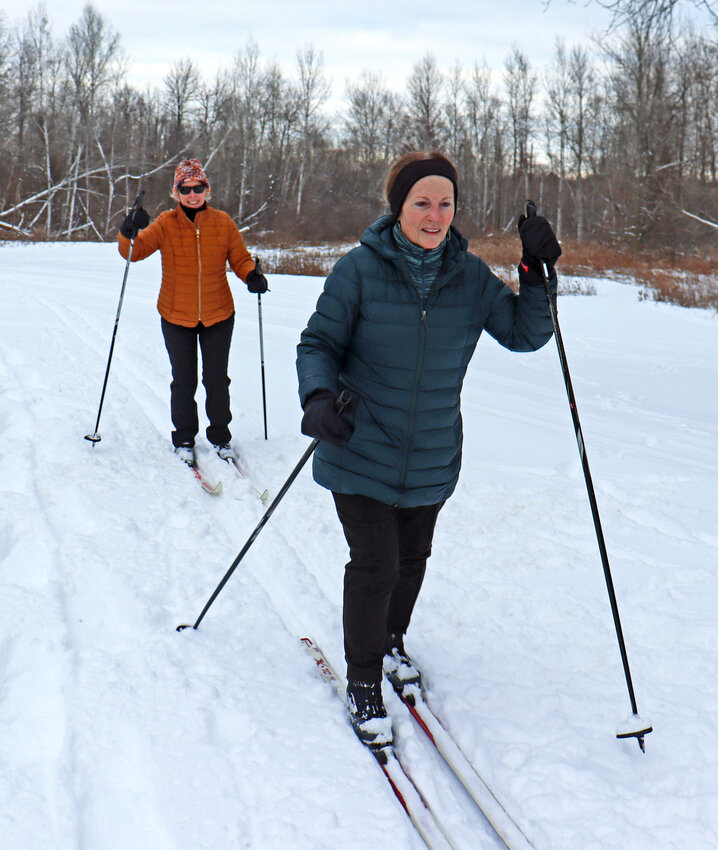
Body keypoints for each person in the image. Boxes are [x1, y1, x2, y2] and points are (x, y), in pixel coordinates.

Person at [296, 151, 561, 748]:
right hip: (359, 446)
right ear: (399, 208)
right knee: (376, 565)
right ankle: (363, 680)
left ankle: (391, 641)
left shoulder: (468, 278)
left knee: (412, 561)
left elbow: (525, 334)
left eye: (445, 203)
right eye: (422, 202)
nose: (435, 214)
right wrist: (317, 396)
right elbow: (318, 342)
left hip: (432, 454)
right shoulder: (358, 271)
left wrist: (536, 272)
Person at [118, 158, 268, 464]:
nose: (192, 194)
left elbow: (239, 258)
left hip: (218, 314)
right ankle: (184, 438)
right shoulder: (165, 223)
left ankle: (221, 437)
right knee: (183, 380)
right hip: (175, 314)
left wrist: (251, 274)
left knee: (216, 379)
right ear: (176, 193)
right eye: (185, 189)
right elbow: (133, 253)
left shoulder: (223, 222)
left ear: (207, 190)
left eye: (198, 187)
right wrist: (128, 230)